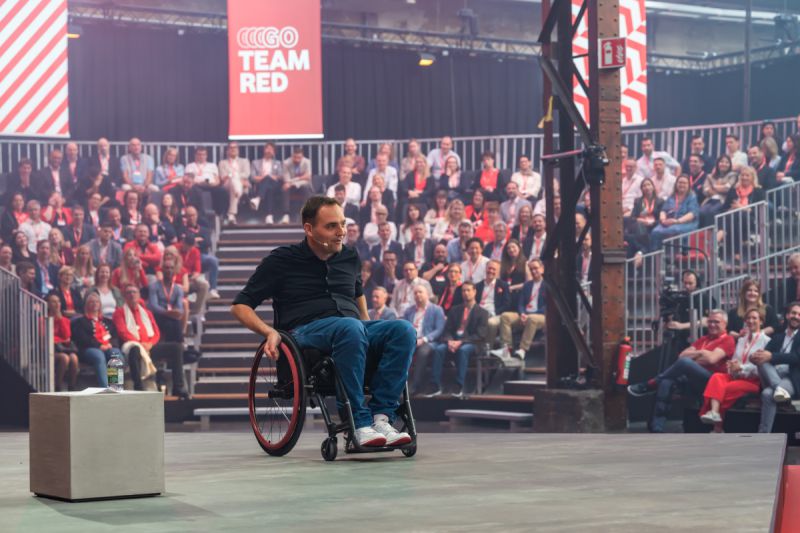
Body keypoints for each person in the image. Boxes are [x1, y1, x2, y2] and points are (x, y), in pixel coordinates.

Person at [231, 196, 416, 447]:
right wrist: (269, 332)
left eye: (343, 224)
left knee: (403, 330)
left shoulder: (350, 256)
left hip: (352, 327)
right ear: (309, 229)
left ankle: (381, 418)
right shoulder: (281, 260)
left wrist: (369, 329)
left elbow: (358, 297)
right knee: (350, 327)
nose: (341, 232)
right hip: (305, 330)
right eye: (331, 226)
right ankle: (358, 423)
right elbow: (240, 306)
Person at [627, 309, 735, 433]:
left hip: (712, 380)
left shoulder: (728, 340)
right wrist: (701, 353)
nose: (712, 324)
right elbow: (682, 355)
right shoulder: (703, 339)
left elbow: (711, 359)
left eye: (716, 322)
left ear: (725, 324)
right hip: (693, 378)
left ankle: (651, 384)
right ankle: (657, 427)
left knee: (685, 363)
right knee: (666, 382)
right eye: (710, 321)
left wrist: (695, 357)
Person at [700, 307, 769, 431]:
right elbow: (735, 360)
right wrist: (731, 365)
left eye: (754, 318)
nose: (751, 321)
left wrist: (741, 367)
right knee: (716, 377)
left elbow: (762, 367)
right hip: (736, 376)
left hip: (753, 381)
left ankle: (717, 427)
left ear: (761, 321)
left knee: (725, 389)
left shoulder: (766, 341)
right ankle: (714, 412)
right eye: (748, 318)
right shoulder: (741, 340)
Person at [114, 283, 188, 397]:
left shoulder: (147, 313)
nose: (132, 294)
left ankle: (178, 387)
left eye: (134, 292)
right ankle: (138, 387)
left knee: (177, 347)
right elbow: (122, 332)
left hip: (149, 345)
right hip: (132, 346)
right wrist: (140, 344)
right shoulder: (119, 312)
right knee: (135, 350)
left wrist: (150, 343)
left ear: (139, 295)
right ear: (124, 296)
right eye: (129, 292)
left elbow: (156, 332)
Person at [428, 282, 488, 398]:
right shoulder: (455, 310)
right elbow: (447, 330)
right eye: (463, 291)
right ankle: (434, 385)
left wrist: (461, 342)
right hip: (453, 341)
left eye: (468, 290)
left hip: (472, 343)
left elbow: (480, 335)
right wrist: (450, 341)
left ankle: (458, 385)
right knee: (439, 349)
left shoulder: (482, 313)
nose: (466, 293)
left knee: (463, 350)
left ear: (474, 292)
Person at [751, 302, 800, 433]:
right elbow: (764, 354)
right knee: (761, 360)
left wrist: (772, 356)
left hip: (792, 378)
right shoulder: (778, 337)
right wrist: (753, 357)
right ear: (787, 315)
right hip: (774, 374)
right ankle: (780, 391)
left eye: (799, 315)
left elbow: (796, 357)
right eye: (794, 313)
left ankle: (763, 434)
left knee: (767, 394)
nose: (796, 316)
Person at [496, 258, 546, 360]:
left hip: (541, 316)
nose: (533, 271)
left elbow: (547, 306)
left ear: (542, 269)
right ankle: (507, 349)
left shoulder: (547, 285)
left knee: (532, 318)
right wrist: (522, 313)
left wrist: (530, 315)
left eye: (536, 268)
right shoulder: (527, 285)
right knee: (505, 316)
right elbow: (521, 303)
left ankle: (522, 349)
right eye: (531, 269)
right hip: (525, 315)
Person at [72, 292, 123, 387]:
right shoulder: (80, 321)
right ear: (87, 305)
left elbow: (115, 336)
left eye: (97, 302)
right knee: (99, 355)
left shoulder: (108, 321)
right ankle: (105, 388)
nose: (94, 303)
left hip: (108, 347)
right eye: (91, 302)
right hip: (89, 349)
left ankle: (115, 386)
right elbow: (83, 339)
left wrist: (111, 344)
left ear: (100, 304)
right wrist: (99, 345)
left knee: (115, 353)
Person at [404, 285, 446, 395]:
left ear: (427, 294)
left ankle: (416, 386)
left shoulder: (436, 309)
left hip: (430, 341)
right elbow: (405, 328)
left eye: (420, 292)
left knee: (423, 352)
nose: (418, 295)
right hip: (412, 340)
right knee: (397, 351)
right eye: (415, 293)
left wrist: (424, 339)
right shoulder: (409, 311)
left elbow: (439, 329)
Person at [649, 175, 699, 252]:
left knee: (675, 229)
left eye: (684, 183)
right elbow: (663, 210)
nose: (682, 185)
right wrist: (663, 220)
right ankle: (657, 255)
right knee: (655, 231)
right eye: (680, 182)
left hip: (686, 223)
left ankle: (677, 254)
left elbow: (692, 214)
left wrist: (677, 221)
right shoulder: (672, 197)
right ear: (676, 184)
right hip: (670, 222)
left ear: (689, 185)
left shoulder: (692, 197)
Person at [476, 260, 511, 352]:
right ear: (485, 269)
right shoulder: (477, 286)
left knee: (491, 323)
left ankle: (488, 349)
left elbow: (507, 304)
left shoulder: (503, 285)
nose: (491, 271)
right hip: (479, 313)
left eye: (494, 269)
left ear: (498, 271)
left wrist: (494, 313)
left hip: (495, 314)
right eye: (489, 268)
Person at [48, 293, 79, 391]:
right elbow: (45, 336)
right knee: (64, 358)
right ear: (48, 304)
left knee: (74, 358)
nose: (57, 304)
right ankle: (57, 386)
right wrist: (60, 340)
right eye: (53, 302)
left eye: (58, 301)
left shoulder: (65, 320)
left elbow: (67, 336)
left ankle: (72, 387)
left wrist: (60, 319)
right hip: (50, 349)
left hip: (63, 348)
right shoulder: (44, 319)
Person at [250, 142, 287, 224]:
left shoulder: (277, 163)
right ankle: (269, 216)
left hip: (275, 185)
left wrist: (269, 176)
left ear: (274, 152)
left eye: (271, 149)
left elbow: (281, 176)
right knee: (269, 188)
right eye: (268, 149)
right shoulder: (255, 163)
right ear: (264, 150)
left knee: (268, 179)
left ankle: (258, 199)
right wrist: (263, 177)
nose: (269, 151)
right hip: (260, 184)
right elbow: (252, 177)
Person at [698, 154, 737, 227]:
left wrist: (713, 186)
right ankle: (703, 232)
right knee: (701, 212)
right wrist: (719, 187)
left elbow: (727, 188)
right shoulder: (710, 176)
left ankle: (711, 232)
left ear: (730, 165)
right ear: (718, 163)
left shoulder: (733, 175)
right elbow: (705, 190)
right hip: (710, 199)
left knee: (712, 212)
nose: (724, 164)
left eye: (727, 162)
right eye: (721, 162)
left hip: (722, 200)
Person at [218, 141, 251, 224]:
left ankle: (231, 214)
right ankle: (232, 211)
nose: (233, 149)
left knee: (234, 182)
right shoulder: (222, 163)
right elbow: (223, 176)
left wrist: (233, 175)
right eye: (231, 148)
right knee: (233, 181)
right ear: (227, 151)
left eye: (235, 147)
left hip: (241, 184)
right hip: (228, 184)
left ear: (238, 150)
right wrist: (234, 176)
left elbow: (246, 173)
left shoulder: (244, 161)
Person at [282, 146, 313, 219]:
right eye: (295, 157)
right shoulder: (286, 163)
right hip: (291, 187)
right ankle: (286, 214)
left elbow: (308, 177)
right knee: (285, 188)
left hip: (303, 185)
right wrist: (302, 177)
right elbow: (286, 179)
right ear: (292, 156)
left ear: (302, 157)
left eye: (299, 158)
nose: (297, 159)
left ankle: (306, 212)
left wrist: (295, 180)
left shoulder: (307, 162)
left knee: (305, 187)